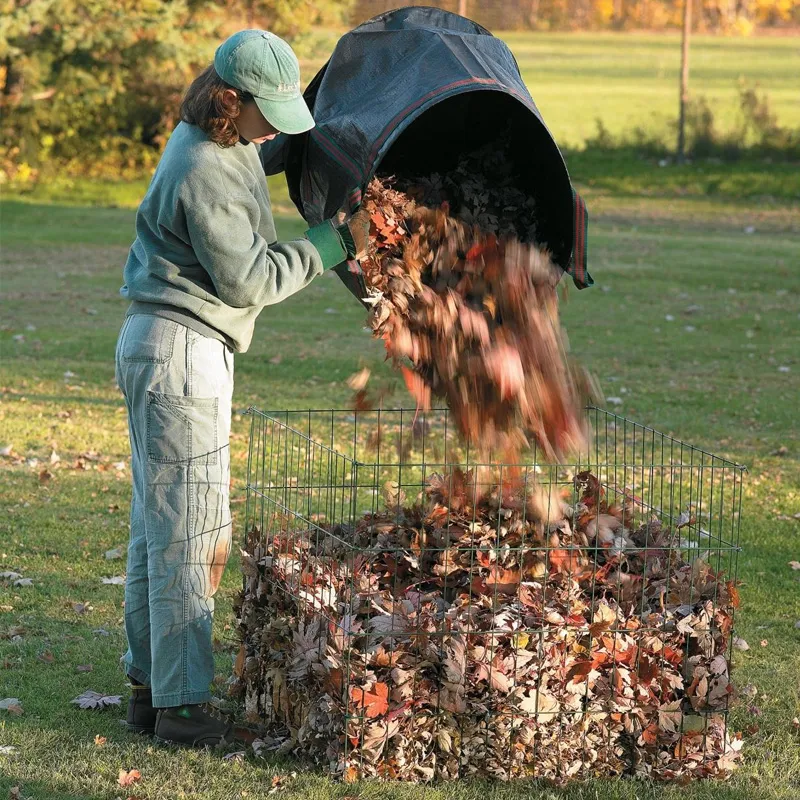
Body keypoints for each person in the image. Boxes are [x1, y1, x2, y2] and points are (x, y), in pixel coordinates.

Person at [115, 29, 369, 748]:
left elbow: (265, 158)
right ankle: (183, 711)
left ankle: (151, 693)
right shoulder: (206, 166)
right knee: (192, 539)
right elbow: (250, 279)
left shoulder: (215, 141)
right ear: (233, 99)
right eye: (270, 112)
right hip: (181, 355)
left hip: (161, 346)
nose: (275, 128)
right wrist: (337, 243)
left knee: (156, 532)